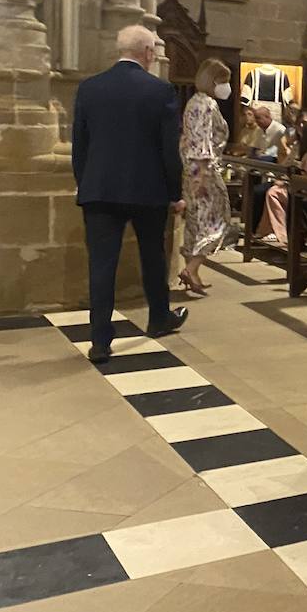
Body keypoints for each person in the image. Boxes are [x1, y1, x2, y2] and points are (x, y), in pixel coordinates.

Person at [71, 25, 187, 362]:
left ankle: (99, 340)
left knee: (101, 264)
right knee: (153, 256)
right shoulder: (160, 90)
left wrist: (86, 180)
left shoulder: (90, 88)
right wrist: (174, 192)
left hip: (99, 189)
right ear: (149, 53)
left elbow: (81, 145)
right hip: (147, 190)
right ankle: (159, 319)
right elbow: (169, 150)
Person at [178, 58, 233, 296]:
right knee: (217, 220)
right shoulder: (206, 103)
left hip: (192, 169)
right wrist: (201, 175)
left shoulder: (194, 101)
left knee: (196, 219)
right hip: (203, 170)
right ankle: (191, 268)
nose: (226, 87)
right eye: (223, 82)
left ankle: (194, 271)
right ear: (213, 81)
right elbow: (201, 141)